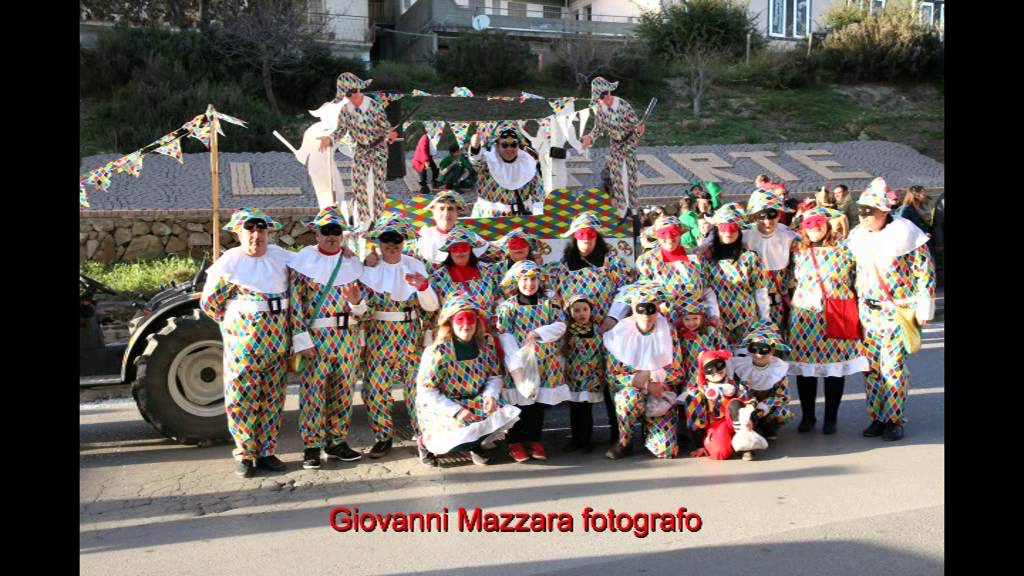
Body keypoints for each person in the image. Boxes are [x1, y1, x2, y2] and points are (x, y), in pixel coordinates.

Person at [200, 208, 293, 478]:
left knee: (273, 399)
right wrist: (238, 327)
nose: (256, 236)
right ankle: (245, 452)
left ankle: (266, 450)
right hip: (244, 347)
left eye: (261, 230)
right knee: (242, 399)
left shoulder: (281, 257)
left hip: (276, 345)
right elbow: (211, 304)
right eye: (250, 230)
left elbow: (313, 265)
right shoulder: (230, 263)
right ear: (239, 234)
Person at [847, 177, 935, 441]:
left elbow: (925, 272)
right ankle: (877, 416)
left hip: (896, 310)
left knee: (892, 366)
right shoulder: (857, 236)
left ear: (883, 213)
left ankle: (894, 418)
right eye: (860, 211)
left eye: (869, 212)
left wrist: (924, 307)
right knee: (870, 367)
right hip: (867, 312)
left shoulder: (906, 234)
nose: (862, 217)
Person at [288, 206, 368, 470]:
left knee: (344, 392)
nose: (332, 236)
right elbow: (295, 306)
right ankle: (311, 446)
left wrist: (357, 305)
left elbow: (365, 308)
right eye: (326, 231)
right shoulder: (302, 263)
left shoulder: (353, 263)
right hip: (317, 338)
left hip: (347, 336)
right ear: (317, 234)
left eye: (336, 231)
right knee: (313, 394)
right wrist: (302, 340)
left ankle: (336, 442)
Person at [549, 211, 637, 443]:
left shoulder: (613, 264)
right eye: (581, 235)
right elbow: (555, 298)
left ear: (598, 237)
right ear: (574, 238)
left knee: (612, 384)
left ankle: (620, 436)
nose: (586, 240)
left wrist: (613, 318)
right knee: (579, 388)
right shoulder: (562, 268)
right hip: (577, 336)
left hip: (608, 332)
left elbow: (626, 292)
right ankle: (581, 438)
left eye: (590, 235)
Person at [359, 214, 440, 458]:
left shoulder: (414, 265)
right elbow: (362, 311)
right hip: (379, 335)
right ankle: (383, 436)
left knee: (417, 388)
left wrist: (422, 286)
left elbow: (430, 306)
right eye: (387, 238)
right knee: (375, 388)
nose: (392, 244)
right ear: (379, 242)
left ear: (404, 241)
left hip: (410, 335)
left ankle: (423, 435)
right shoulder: (369, 270)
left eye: (397, 239)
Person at [787, 206, 869, 434]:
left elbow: (858, 274)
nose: (815, 229)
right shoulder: (796, 249)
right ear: (803, 227)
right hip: (804, 315)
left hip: (836, 312)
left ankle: (831, 417)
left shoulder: (844, 248)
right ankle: (808, 416)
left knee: (834, 369)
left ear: (826, 224)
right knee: (806, 370)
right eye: (809, 225)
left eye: (819, 223)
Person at [415, 292, 522, 465]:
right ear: (450, 321)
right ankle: (425, 443)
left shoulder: (485, 344)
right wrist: (455, 411)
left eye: (470, 319)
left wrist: (490, 396)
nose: (466, 326)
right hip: (446, 405)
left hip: (475, 399)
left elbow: (494, 375)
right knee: (458, 431)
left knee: (501, 413)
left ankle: (474, 444)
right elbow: (426, 391)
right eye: (460, 320)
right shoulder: (437, 351)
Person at [496, 261, 570, 462]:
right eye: (525, 279)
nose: (529, 284)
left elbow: (560, 325)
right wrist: (516, 366)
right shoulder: (507, 307)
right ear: (517, 281)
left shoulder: (549, 303)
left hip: (544, 360)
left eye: (533, 279)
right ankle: (515, 441)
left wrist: (538, 332)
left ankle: (535, 439)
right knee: (519, 402)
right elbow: (504, 335)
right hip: (517, 362)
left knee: (537, 403)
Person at [602, 282, 685, 460]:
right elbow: (612, 376)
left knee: (666, 451)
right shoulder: (619, 334)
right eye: (641, 308)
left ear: (657, 309)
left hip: (660, 393)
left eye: (651, 309)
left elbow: (678, 373)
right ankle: (624, 441)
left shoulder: (668, 333)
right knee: (628, 397)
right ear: (633, 308)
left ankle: (652, 432)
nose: (646, 314)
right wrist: (645, 381)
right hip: (633, 392)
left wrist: (653, 378)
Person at [318, 72, 398, 228]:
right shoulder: (345, 111)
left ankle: (379, 218)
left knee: (378, 185)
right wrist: (330, 138)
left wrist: (390, 133)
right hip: (361, 150)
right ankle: (364, 220)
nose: (352, 95)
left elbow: (385, 126)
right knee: (358, 185)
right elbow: (341, 130)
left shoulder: (374, 106)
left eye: (355, 90)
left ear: (359, 89)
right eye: (348, 93)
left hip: (378, 148)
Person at [703, 203, 771, 349]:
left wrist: (765, 318)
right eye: (724, 228)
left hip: (746, 318)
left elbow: (760, 289)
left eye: (733, 228)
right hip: (718, 319)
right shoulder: (706, 259)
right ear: (717, 230)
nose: (729, 232)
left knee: (746, 358)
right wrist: (712, 316)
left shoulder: (750, 257)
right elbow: (705, 291)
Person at [635, 214, 721, 329]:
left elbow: (706, 290)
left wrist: (714, 314)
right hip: (665, 326)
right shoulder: (647, 261)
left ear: (680, 234)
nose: (669, 238)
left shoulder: (695, 257)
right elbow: (642, 295)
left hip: (695, 324)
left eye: (674, 233)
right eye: (663, 234)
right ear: (657, 236)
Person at [581, 77, 645, 218]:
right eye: (599, 97)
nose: (602, 99)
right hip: (615, 144)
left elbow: (637, 127)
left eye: (604, 95)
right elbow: (598, 129)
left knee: (630, 176)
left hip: (629, 143)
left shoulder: (623, 106)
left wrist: (638, 132)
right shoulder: (600, 109)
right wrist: (590, 138)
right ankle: (620, 211)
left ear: (609, 92)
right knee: (615, 175)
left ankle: (633, 211)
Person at [681, 350, 757, 460]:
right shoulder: (700, 392)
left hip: (736, 420)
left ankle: (747, 447)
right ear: (704, 373)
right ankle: (729, 442)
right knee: (720, 453)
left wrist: (748, 415)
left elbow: (751, 403)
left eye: (719, 365)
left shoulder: (737, 385)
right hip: (717, 425)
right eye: (709, 369)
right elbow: (695, 422)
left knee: (735, 404)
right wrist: (699, 445)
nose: (716, 371)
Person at [744, 189, 800, 332]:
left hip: (779, 300)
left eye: (772, 215)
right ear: (754, 216)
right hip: (751, 302)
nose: (767, 221)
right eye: (762, 217)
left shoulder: (787, 233)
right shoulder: (745, 234)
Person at [731, 321, 794, 441]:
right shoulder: (741, 367)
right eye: (754, 349)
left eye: (764, 350)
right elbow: (737, 391)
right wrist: (750, 403)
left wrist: (765, 405)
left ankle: (769, 427)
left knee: (782, 413)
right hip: (748, 404)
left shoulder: (778, 369)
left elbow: (784, 397)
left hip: (770, 405)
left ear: (772, 351)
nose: (758, 354)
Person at [468, 123, 545, 217]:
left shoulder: (528, 164)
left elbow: (538, 196)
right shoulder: (488, 162)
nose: (509, 149)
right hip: (488, 218)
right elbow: (476, 161)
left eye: (513, 145)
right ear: (497, 145)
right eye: (504, 145)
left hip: (520, 218)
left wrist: (539, 217)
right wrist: (475, 149)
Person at [561, 294, 606, 453]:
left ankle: (587, 440)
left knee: (587, 410)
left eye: (585, 309)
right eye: (577, 310)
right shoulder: (567, 331)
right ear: (570, 312)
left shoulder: (597, 329)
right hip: (575, 376)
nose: (581, 313)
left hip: (593, 375)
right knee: (575, 409)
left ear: (591, 311)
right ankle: (576, 439)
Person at [428, 226, 503, 319]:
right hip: (454, 330)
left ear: (471, 249)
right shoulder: (438, 277)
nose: (460, 252)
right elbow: (431, 308)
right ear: (449, 250)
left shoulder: (488, 272)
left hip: (484, 329)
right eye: (455, 247)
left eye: (464, 247)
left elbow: (498, 299)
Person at [416, 190, 500, 268]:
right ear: (433, 212)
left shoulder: (467, 234)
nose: (446, 213)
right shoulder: (425, 236)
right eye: (441, 209)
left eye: (450, 209)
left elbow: (494, 255)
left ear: (457, 213)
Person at [676, 296, 728, 389]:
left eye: (695, 318)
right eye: (687, 319)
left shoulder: (710, 331)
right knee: (693, 395)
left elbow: (722, 347)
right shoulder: (681, 336)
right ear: (682, 320)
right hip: (692, 373)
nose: (691, 323)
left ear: (701, 318)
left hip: (713, 370)